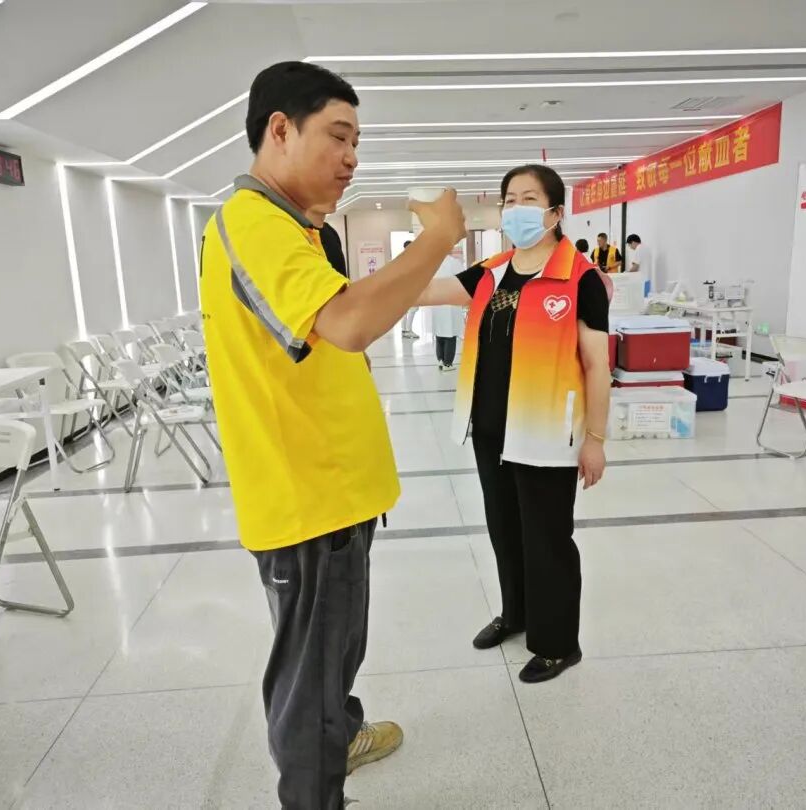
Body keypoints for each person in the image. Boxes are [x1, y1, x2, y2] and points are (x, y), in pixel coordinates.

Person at [200, 60, 465, 809]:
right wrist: (438, 238)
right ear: (280, 129)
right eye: (338, 136)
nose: (352, 157)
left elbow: (343, 318)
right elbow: (347, 322)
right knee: (309, 680)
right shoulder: (253, 223)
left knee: (334, 655)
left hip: (336, 493)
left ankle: (341, 735)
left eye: (358, 142)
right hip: (307, 499)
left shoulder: (297, 230)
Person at [417, 163, 611, 683]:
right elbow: (426, 292)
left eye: (529, 199)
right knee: (504, 530)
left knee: (547, 539)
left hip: (547, 432)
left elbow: (598, 365)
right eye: (509, 200)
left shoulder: (581, 278)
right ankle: (517, 613)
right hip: (490, 429)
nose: (516, 209)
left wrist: (595, 439)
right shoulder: (492, 271)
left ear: (555, 212)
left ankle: (557, 643)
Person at [433, 248, 465, 371]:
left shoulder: (434, 263)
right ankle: (448, 363)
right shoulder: (453, 262)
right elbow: (463, 279)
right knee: (450, 334)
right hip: (450, 302)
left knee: (439, 333)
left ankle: (440, 360)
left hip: (437, 302)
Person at [400, 241, 421, 339]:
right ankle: (408, 330)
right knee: (413, 308)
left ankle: (404, 330)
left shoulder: (402, 258)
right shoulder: (411, 258)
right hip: (411, 286)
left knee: (404, 310)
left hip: (403, 287)